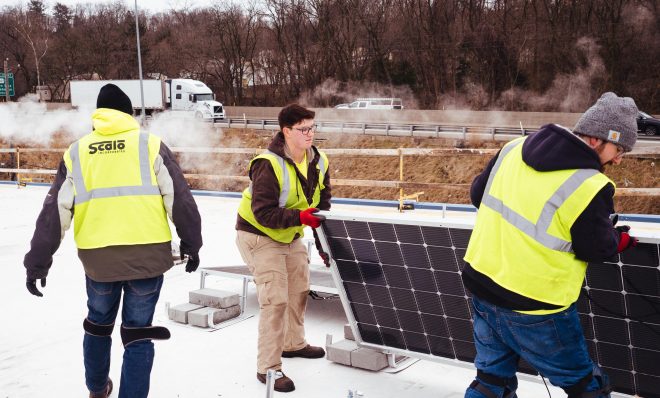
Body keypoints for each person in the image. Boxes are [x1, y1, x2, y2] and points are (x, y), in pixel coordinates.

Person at [23, 84, 203, 398]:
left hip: (98, 262)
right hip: (147, 259)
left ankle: (96, 389)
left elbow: (55, 211)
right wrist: (191, 243)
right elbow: (181, 201)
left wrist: (37, 262)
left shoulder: (78, 151)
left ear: (99, 115)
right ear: (129, 114)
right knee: (138, 333)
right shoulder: (150, 145)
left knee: (98, 324)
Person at [462, 92, 639, 398]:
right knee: (587, 387)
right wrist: (617, 239)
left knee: (492, 381)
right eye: (619, 148)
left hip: (482, 285)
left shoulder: (513, 148)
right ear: (597, 139)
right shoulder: (589, 184)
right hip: (536, 308)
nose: (619, 159)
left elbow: (479, 195)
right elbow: (596, 248)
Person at [235, 103, 331, 393]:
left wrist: (323, 245)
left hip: (290, 234)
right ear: (286, 131)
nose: (310, 134)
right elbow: (263, 212)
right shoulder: (268, 163)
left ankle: (293, 344)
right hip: (259, 235)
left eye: (312, 127)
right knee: (275, 300)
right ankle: (269, 368)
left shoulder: (319, 161)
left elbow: (321, 207)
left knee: (299, 290)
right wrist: (300, 218)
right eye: (303, 129)